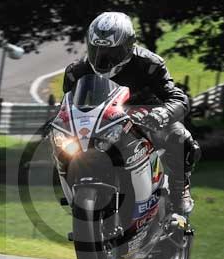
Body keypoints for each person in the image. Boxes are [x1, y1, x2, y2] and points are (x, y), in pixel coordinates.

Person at [63, 12, 201, 214]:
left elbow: (178, 98)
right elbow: (66, 106)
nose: (102, 58)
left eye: (110, 52)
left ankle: (180, 189)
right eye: (97, 49)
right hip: (100, 124)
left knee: (181, 138)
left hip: (147, 120)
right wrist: (55, 122)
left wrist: (162, 113)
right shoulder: (77, 71)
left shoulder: (150, 64)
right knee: (64, 146)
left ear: (128, 46)